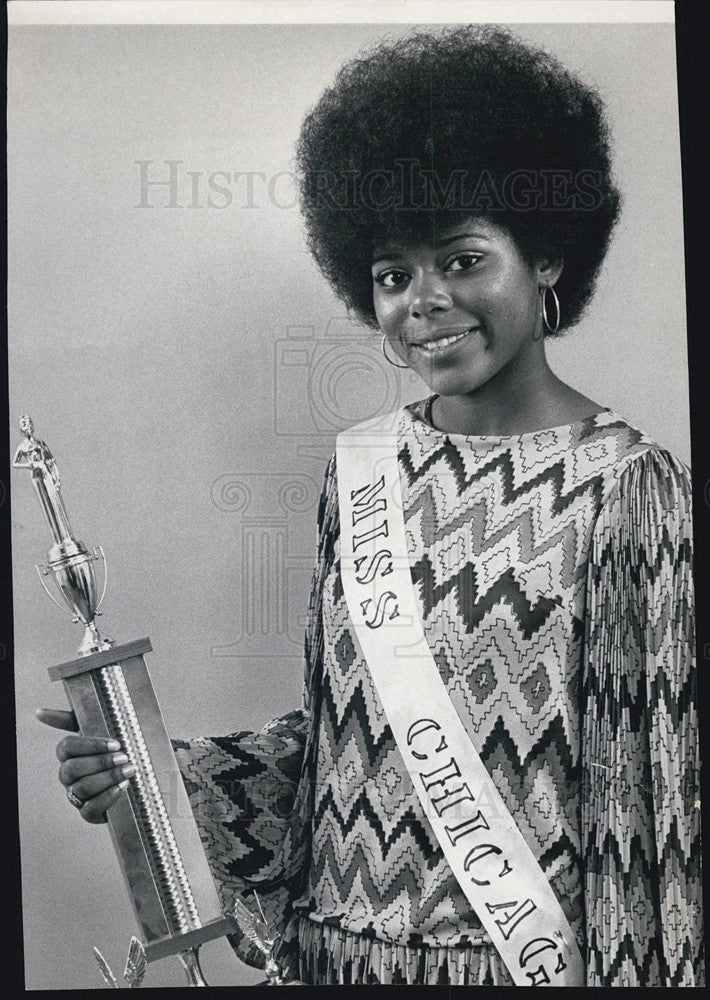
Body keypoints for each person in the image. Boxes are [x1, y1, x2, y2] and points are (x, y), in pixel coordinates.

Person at [37, 26, 703, 987]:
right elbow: (345, 751)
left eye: (464, 260)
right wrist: (160, 783)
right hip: (338, 966)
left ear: (549, 255)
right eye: (393, 275)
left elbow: (657, 812)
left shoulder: (630, 494)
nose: (423, 302)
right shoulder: (360, 475)